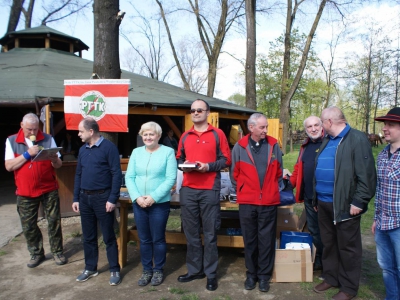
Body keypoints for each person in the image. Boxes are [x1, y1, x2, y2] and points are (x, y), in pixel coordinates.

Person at [313, 107, 376, 300]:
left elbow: (367, 174)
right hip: (323, 203)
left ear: (330, 122)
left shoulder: (356, 139)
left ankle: (348, 287)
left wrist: (359, 201)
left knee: (348, 247)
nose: (321, 127)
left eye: (322, 122)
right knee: (329, 243)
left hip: (345, 204)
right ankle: (332, 277)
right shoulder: (327, 140)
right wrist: (316, 198)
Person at [176, 99, 231, 291]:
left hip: (209, 189)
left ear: (208, 113)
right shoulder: (185, 136)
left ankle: (211, 274)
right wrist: (185, 165)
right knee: (191, 233)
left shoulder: (218, 134)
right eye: (193, 110)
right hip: (189, 189)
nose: (196, 113)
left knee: (210, 233)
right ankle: (194, 270)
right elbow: (179, 159)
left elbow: (226, 159)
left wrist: (208, 167)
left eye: (200, 110)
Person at [4, 113, 66, 268]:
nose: (33, 133)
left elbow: (58, 165)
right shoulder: (12, 141)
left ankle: (58, 252)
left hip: (48, 188)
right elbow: (9, 166)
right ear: (21, 125)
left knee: (54, 221)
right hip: (25, 191)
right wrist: (27, 154)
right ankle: (36, 253)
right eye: (29, 129)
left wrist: (54, 159)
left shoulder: (47, 138)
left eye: (35, 129)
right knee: (29, 225)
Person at [230, 113, 283, 293]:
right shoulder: (240, 147)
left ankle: (264, 277)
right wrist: (245, 189)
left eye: (266, 127)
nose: (265, 130)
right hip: (247, 202)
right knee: (250, 239)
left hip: (268, 201)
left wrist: (270, 189)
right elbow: (234, 174)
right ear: (251, 127)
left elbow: (279, 172)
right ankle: (251, 274)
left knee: (266, 240)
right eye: (262, 127)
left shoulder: (274, 145)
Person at [125, 122, 177, 287]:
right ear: (142, 136)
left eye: (151, 134)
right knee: (144, 239)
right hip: (139, 202)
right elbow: (129, 177)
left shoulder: (168, 152)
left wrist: (153, 197)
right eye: (145, 134)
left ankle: (158, 270)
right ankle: (147, 270)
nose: (148, 137)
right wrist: (137, 197)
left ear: (158, 136)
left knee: (158, 239)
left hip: (159, 203)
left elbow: (170, 179)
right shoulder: (136, 152)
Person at [72, 117, 122, 286]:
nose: (78, 134)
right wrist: (76, 198)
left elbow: (116, 174)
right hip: (85, 198)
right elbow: (78, 174)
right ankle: (90, 268)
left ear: (91, 131)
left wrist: (112, 198)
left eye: (81, 131)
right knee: (88, 236)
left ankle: (114, 268)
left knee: (108, 236)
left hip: (103, 198)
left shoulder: (109, 148)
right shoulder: (82, 150)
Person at [289, 116, 324, 272]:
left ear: (322, 126)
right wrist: (289, 184)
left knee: (328, 230)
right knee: (314, 229)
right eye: (309, 127)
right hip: (309, 197)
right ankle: (320, 259)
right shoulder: (305, 146)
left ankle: (331, 262)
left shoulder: (329, 143)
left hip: (326, 198)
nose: (313, 129)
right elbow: (298, 168)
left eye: (316, 125)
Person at [372, 107, 400, 300]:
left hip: (399, 225)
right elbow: (380, 190)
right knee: (387, 268)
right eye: (385, 124)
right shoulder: (382, 155)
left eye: (391, 124)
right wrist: (375, 218)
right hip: (382, 223)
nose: (385, 128)